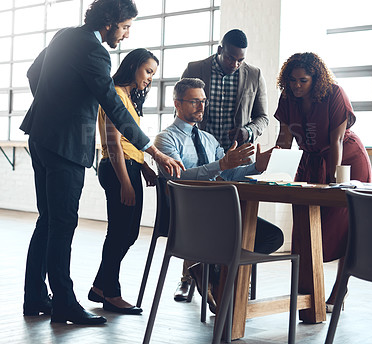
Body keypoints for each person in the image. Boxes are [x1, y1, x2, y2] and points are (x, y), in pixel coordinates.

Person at [21, 0, 183, 325]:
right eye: (124, 27)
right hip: (66, 144)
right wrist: (152, 150)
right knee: (62, 223)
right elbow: (113, 106)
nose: (127, 34)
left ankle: (35, 296)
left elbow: (32, 73)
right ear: (107, 23)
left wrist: (52, 108)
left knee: (47, 220)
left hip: (40, 136)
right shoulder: (95, 52)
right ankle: (64, 302)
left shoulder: (64, 36)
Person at [154, 78, 283, 312]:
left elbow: (231, 171)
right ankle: (219, 282)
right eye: (194, 102)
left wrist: (257, 167)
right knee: (234, 233)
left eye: (203, 101)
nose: (201, 107)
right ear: (177, 104)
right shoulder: (165, 139)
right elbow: (179, 176)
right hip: (186, 216)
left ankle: (212, 272)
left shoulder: (209, 139)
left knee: (272, 237)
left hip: (218, 214)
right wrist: (221, 164)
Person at [274, 52, 372, 312]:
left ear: (316, 80)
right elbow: (285, 139)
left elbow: (337, 140)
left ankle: (340, 290)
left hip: (346, 160)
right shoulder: (287, 97)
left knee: (344, 226)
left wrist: (333, 181)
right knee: (305, 225)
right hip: (310, 161)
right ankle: (307, 292)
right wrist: (274, 171)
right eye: (292, 80)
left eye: (302, 81)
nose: (296, 86)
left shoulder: (334, 93)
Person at [87, 49, 158, 315]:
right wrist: (126, 182)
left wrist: (143, 167)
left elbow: (131, 142)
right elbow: (113, 143)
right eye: (148, 71)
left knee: (128, 233)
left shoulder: (127, 97)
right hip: (118, 171)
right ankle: (111, 294)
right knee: (119, 233)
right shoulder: (115, 94)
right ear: (134, 67)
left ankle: (99, 286)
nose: (150, 78)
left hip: (130, 167)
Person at [181, 28, 268, 152]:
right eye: (230, 58)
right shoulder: (193, 70)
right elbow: (179, 111)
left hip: (238, 156)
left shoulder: (255, 75)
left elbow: (262, 117)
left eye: (240, 60)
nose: (235, 64)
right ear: (220, 50)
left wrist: (248, 132)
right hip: (198, 153)